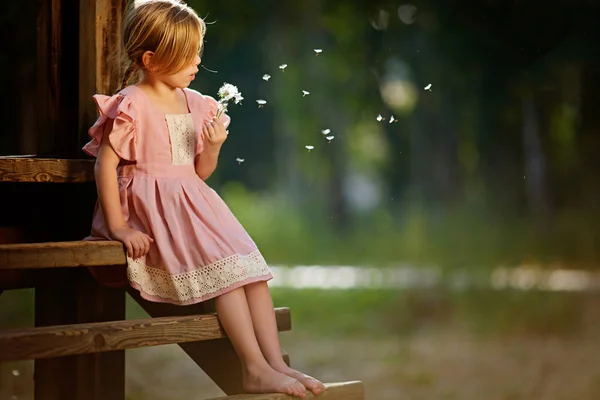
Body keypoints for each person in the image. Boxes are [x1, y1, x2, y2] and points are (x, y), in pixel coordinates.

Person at [81, 0, 325, 397]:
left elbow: (197, 173)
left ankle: (277, 364)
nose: (197, 62)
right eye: (187, 55)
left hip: (192, 202)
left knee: (252, 271)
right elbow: (104, 166)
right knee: (227, 275)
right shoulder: (133, 103)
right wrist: (119, 226)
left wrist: (211, 147)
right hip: (151, 209)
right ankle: (253, 368)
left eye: (198, 52)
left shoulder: (195, 103)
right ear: (151, 59)